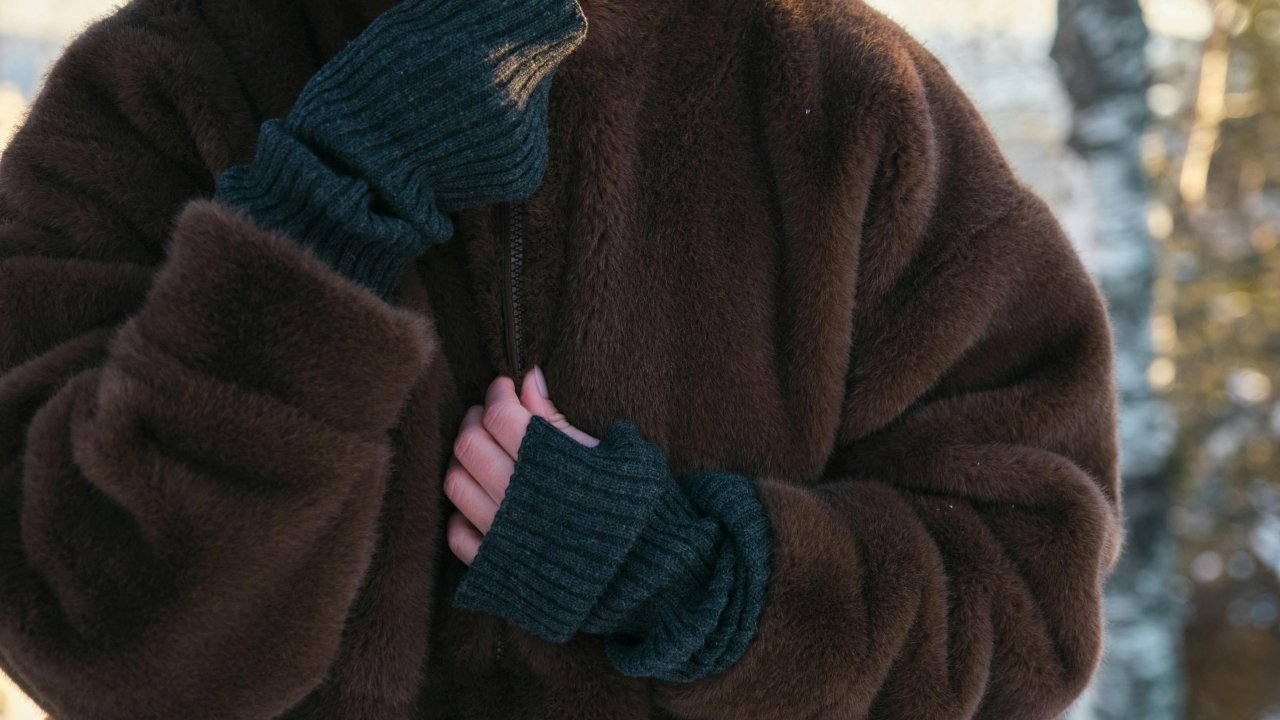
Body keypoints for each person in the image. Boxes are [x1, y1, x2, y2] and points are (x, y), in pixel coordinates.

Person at [0, 0, 1124, 717]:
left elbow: (1028, 603)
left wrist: (700, 583)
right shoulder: (163, 85)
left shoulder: (850, 103)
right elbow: (93, 643)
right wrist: (321, 209)